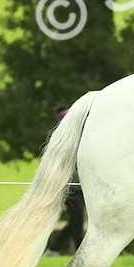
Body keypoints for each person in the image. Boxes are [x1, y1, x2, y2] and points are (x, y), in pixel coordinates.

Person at [46, 107, 86, 255]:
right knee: (78, 220)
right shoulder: (60, 142)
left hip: (79, 187)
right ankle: (79, 252)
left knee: (75, 221)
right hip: (69, 188)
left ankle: (53, 249)